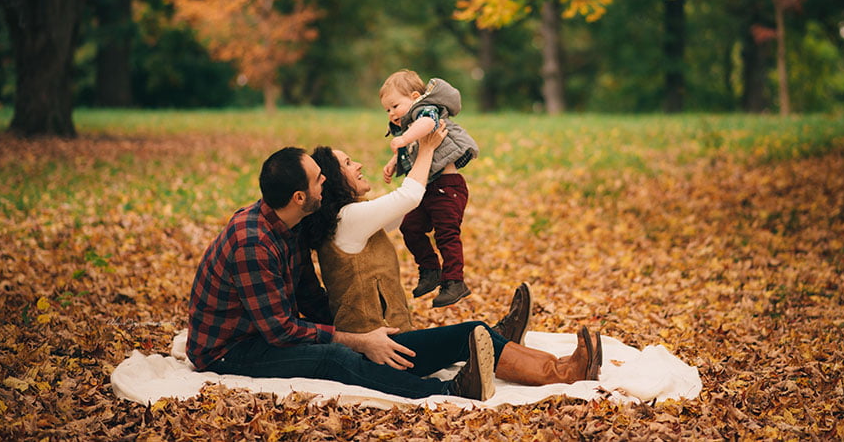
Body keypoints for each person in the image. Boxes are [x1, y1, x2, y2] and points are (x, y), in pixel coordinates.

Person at [186, 137, 601, 402]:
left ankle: (563, 369)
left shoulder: (288, 227)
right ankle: (446, 389)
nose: (325, 184)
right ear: (299, 196)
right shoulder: (252, 241)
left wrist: (366, 335)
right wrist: (357, 340)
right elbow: (279, 331)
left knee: (449, 335)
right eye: (318, 180)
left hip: (269, 331)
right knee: (332, 357)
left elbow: (310, 298)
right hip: (231, 351)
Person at [306, 132, 603, 391]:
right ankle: (563, 373)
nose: (357, 165)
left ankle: (561, 365)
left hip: (393, 344)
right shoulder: (348, 220)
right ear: (334, 181)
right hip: (379, 353)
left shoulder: (352, 218)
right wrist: (427, 148)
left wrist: (419, 159)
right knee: (470, 333)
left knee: (475, 336)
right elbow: (408, 197)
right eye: (347, 163)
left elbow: (407, 204)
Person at [380, 69, 479, 307]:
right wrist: (394, 162)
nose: (392, 113)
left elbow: (426, 125)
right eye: (387, 110)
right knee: (410, 226)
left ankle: (454, 281)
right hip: (427, 189)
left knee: (446, 234)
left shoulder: (425, 111)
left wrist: (404, 139)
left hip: (447, 187)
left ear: (415, 96)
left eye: (395, 106)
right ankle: (430, 269)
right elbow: (413, 149)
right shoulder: (408, 125)